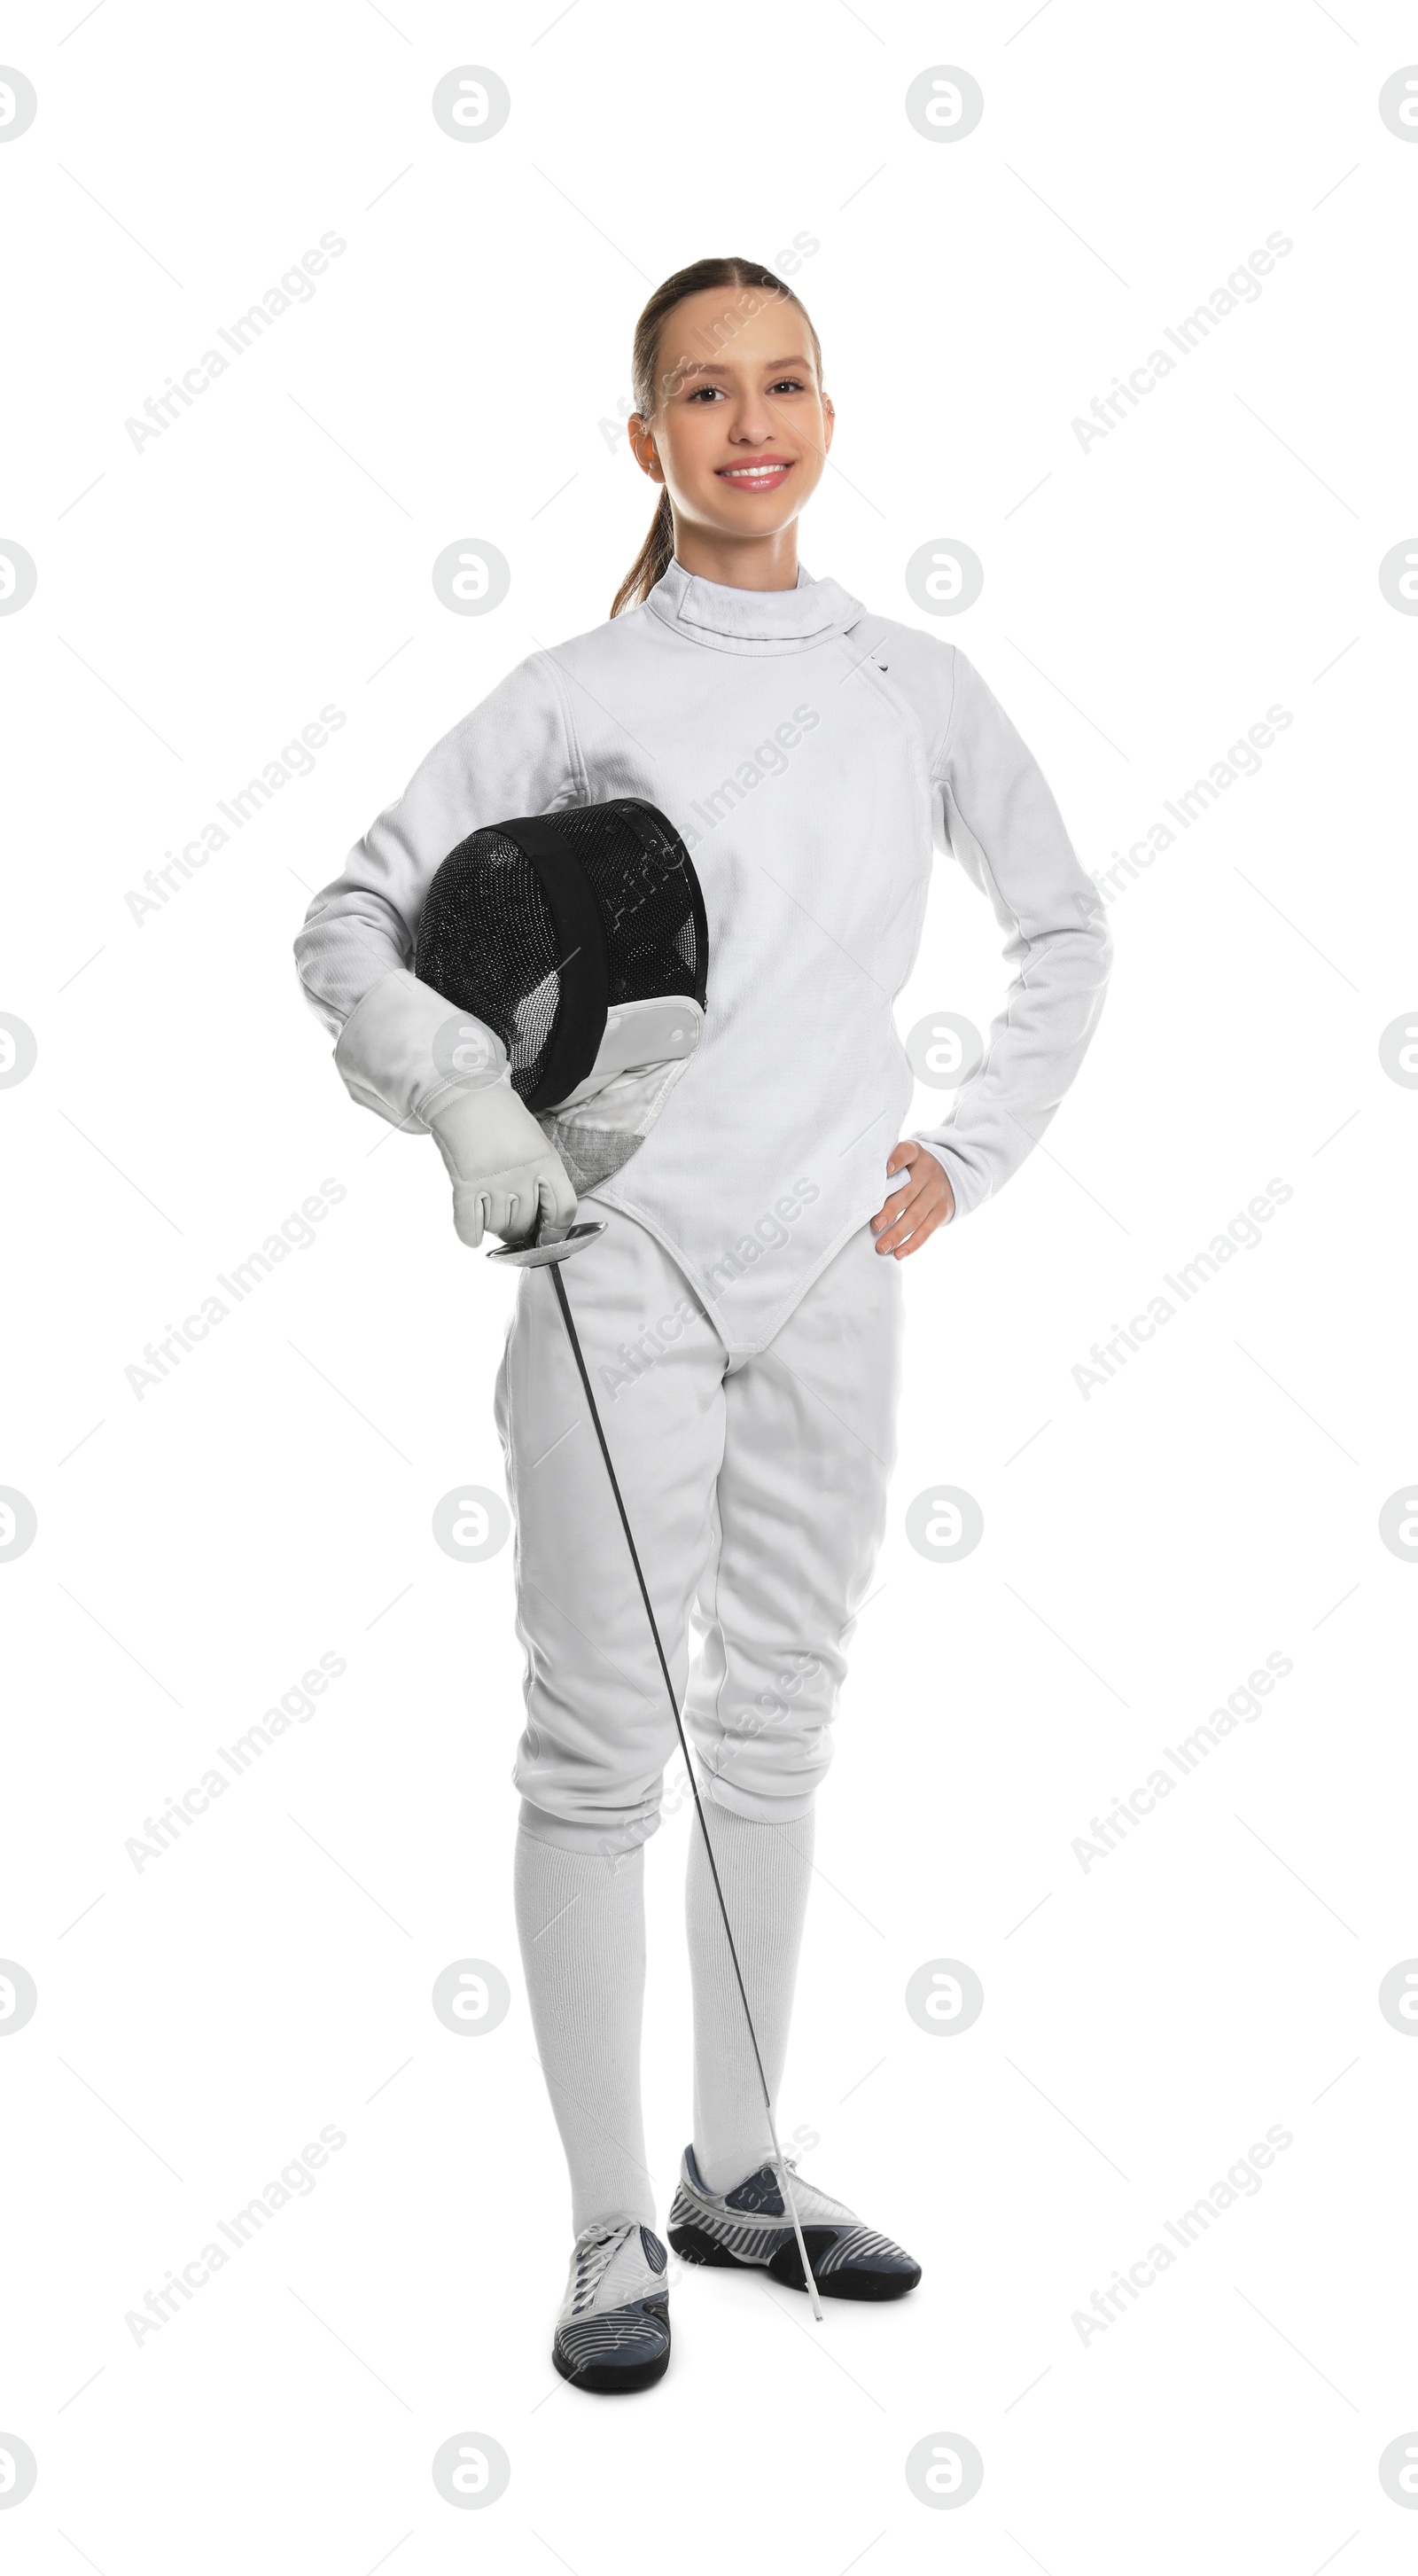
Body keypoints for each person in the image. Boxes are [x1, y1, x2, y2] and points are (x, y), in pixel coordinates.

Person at [294, 254, 1112, 2393]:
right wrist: (467, 1095)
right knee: (599, 1738)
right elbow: (348, 916)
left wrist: (962, 1160)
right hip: (615, 1269)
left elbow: (1065, 928)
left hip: (834, 1269)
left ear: (827, 416)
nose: (749, 424)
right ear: (644, 440)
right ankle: (597, 2226)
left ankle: (737, 2174)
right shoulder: (575, 685)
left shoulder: (911, 683)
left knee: (779, 1719)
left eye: (785, 385)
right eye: (701, 394)